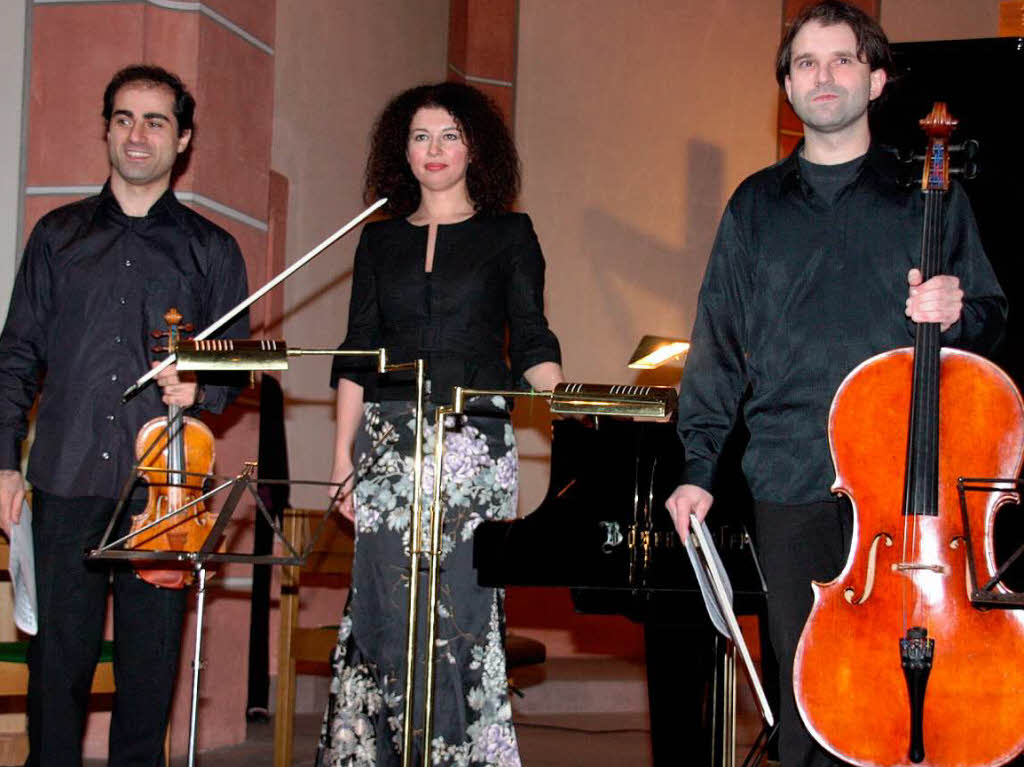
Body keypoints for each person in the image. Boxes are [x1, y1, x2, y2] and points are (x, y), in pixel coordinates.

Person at [664, 3, 1005, 765]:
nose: (824, 75)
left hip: (912, 491)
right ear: (787, 87)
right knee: (812, 703)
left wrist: (959, 311)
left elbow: (992, 319)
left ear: (876, 79)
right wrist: (699, 468)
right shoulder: (754, 206)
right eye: (806, 63)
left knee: (928, 707)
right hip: (791, 477)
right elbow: (719, 344)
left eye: (842, 59)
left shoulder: (930, 194)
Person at [0, 65, 250, 766]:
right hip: (66, 480)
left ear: (184, 139)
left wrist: (200, 391)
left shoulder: (212, 250)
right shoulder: (57, 237)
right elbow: (16, 355)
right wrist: (0, 464)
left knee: (148, 681)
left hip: (165, 493)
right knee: (57, 673)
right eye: (124, 119)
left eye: (156, 121)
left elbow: (240, 369)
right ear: (107, 129)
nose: (137, 134)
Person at [317, 82, 564, 767]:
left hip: (474, 448)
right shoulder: (377, 242)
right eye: (421, 135)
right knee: (384, 616)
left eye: (450, 134)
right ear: (403, 150)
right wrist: (342, 455)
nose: (435, 149)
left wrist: (569, 397)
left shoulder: (509, 234)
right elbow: (355, 353)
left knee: (460, 617)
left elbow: (534, 341)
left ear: (474, 148)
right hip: (388, 450)